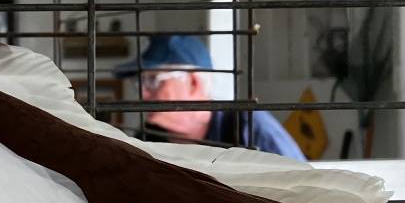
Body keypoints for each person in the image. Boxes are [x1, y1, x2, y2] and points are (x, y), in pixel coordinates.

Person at [115, 33, 305, 160]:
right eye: (140, 82)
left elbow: (306, 195)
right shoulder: (149, 137)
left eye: (154, 80)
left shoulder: (249, 129)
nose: (143, 93)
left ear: (194, 84)